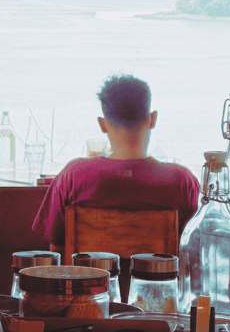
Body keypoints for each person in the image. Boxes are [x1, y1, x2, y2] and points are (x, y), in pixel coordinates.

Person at [32, 73, 200, 256]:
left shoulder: (73, 176)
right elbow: (192, 251)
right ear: (152, 119)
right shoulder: (182, 181)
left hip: (91, 276)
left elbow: (57, 249)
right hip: (160, 276)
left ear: (102, 125)